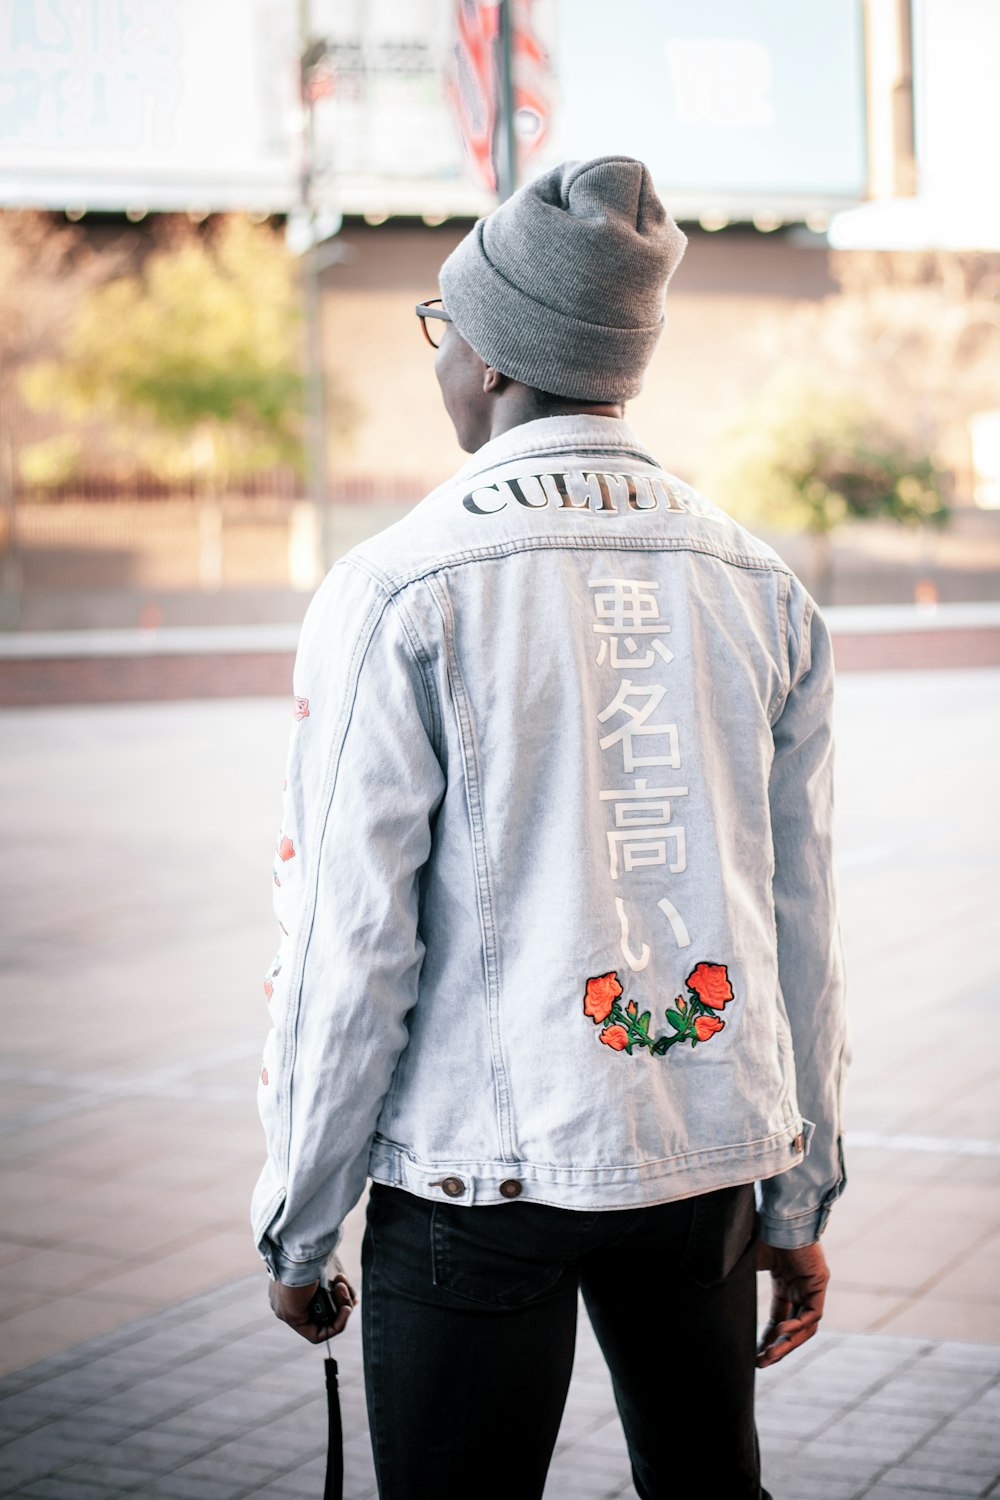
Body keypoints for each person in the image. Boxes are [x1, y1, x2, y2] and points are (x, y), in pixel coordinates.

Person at [253, 155, 848, 1500]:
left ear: (496, 357)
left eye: (438, 325)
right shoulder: (761, 585)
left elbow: (352, 939)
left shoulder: (401, 585)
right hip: (700, 1174)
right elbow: (798, 922)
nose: (436, 354)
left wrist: (298, 1221)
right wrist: (799, 1199)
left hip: (472, 1183)